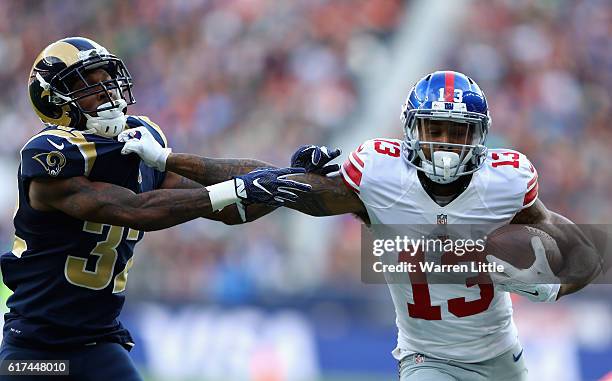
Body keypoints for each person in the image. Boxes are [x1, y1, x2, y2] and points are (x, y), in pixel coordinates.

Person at [129, 71, 601, 380]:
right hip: (426, 358)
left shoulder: (506, 183)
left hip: (502, 357)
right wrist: (174, 159)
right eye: (434, 130)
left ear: (478, 138)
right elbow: (269, 182)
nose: (445, 145)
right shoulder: (380, 175)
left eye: (457, 133)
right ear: (411, 131)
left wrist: (552, 287)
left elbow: (583, 254)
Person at [0, 37, 310, 381]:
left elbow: (230, 210)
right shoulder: (51, 154)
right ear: (56, 102)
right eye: (88, 84)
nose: (106, 90)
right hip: (35, 351)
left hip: (100, 344)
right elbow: (136, 209)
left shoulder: (140, 138)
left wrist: (288, 177)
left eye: (107, 78)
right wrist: (237, 189)